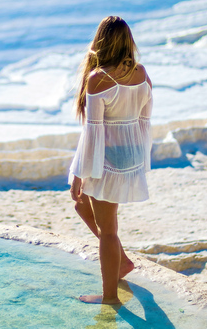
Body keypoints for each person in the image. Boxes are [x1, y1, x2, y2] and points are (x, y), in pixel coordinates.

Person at [69, 15, 153, 305]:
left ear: (100, 42)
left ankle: (109, 298)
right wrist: (140, 158)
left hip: (107, 158)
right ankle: (123, 261)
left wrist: (80, 173)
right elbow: (144, 119)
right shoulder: (142, 74)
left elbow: (93, 133)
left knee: (108, 231)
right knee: (82, 205)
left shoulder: (98, 79)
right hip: (128, 155)